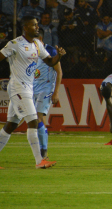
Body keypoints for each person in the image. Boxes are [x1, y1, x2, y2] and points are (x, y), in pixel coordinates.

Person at [0, 16, 65, 169]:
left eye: (37, 25)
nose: (37, 27)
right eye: (34, 25)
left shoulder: (37, 44)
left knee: (11, 125)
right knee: (33, 120)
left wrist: (59, 56)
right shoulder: (15, 44)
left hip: (28, 87)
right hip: (18, 87)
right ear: (26, 28)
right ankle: (39, 161)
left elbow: (49, 62)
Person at [33, 28, 63, 159]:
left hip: (46, 87)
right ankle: (42, 148)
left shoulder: (50, 51)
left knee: (38, 117)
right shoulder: (30, 52)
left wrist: (56, 92)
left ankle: (43, 151)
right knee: (38, 119)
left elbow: (59, 72)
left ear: (40, 40)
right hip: (33, 88)